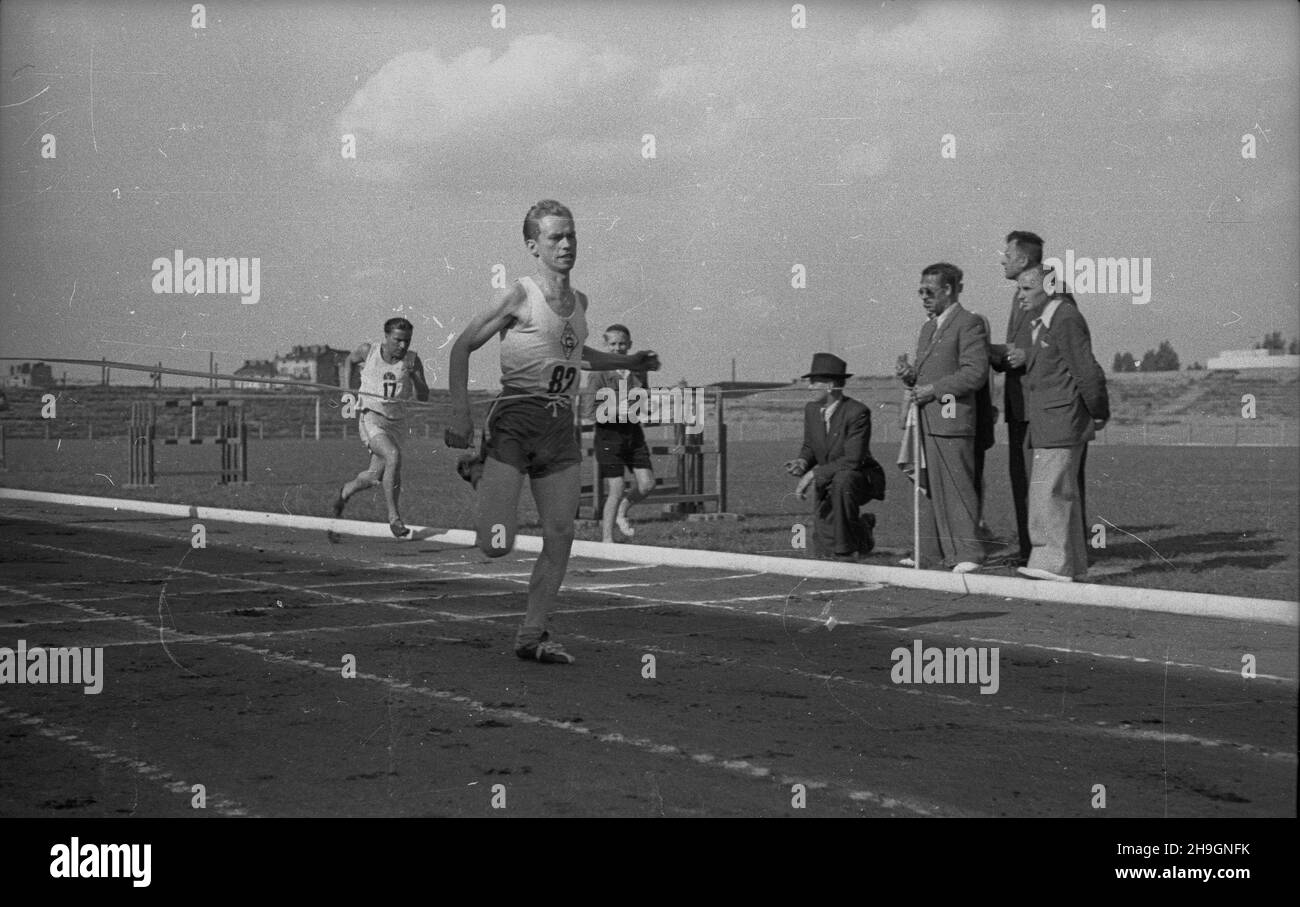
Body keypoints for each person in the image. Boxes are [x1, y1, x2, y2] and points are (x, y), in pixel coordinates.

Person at [445, 200, 660, 665]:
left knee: (560, 534)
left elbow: (579, 353)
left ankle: (532, 634)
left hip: (559, 428)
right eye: (554, 238)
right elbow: (462, 346)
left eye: (571, 236)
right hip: (515, 423)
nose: (566, 245)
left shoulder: (580, 303)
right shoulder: (519, 296)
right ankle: (481, 473)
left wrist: (627, 361)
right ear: (532, 246)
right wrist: (460, 413)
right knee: (496, 545)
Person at [989, 230, 1088, 563]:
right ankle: (1031, 551)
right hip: (1022, 406)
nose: (1002, 258)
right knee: (1026, 481)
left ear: (1025, 259)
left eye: (1007, 253)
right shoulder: (1019, 294)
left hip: (1046, 407)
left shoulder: (1053, 289)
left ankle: (1069, 553)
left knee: (1056, 484)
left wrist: (1025, 354)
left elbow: (1064, 336)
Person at [1014, 265, 1109, 582]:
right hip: (1053, 421)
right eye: (1019, 289)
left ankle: (1051, 563)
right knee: (1061, 494)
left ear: (1050, 287)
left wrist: (1098, 410)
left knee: (1048, 494)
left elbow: (1086, 370)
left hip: (1062, 421)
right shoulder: (1045, 322)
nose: (1020, 296)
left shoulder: (1064, 317)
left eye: (1027, 289)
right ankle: (1073, 565)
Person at [894, 263, 990, 573]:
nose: (923, 297)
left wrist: (933, 389)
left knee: (957, 487)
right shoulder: (927, 328)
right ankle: (930, 552)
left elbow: (974, 373)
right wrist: (911, 376)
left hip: (952, 420)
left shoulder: (969, 323)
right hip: (925, 421)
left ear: (948, 290)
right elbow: (927, 375)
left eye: (929, 291)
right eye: (920, 291)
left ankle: (968, 553)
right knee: (929, 487)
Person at [331, 317, 429, 537]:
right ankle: (394, 519)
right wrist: (347, 391)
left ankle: (345, 491)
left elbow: (423, 396)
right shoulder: (369, 351)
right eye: (398, 340)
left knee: (373, 476)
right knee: (393, 455)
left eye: (407, 341)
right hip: (371, 417)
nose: (403, 346)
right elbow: (348, 361)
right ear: (386, 337)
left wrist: (416, 378)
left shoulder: (413, 360)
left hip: (397, 423)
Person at [783, 353, 884, 560]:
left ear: (830, 386)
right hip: (828, 477)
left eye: (814, 383)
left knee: (842, 480)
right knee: (823, 546)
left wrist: (812, 475)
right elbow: (810, 445)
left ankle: (845, 551)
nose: (810, 387)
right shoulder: (811, 410)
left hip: (858, 478)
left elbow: (853, 459)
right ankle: (863, 530)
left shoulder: (857, 412)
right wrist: (802, 462)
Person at [579, 324, 655, 543]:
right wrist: (617, 408)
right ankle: (607, 539)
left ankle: (623, 510)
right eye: (613, 344)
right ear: (605, 345)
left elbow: (643, 400)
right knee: (617, 486)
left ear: (629, 345)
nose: (618, 348)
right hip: (608, 435)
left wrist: (643, 404)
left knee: (647, 484)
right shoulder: (598, 373)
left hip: (633, 432)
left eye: (622, 344)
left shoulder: (637, 371)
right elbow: (590, 411)